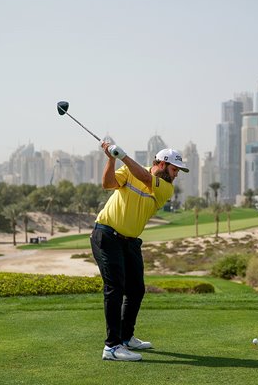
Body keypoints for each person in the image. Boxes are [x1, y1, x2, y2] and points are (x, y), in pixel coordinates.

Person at [90, 142, 189, 361]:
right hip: (106, 234)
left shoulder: (165, 187)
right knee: (115, 288)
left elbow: (145, 177)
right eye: (174, 170)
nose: (176, 175)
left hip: (130, 241)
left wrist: (122, 155)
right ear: (162, 164)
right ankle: (112, 347)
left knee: (136, 290)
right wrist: (111, 158)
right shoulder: (129, 169)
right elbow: (107, 184)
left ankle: (126, 337)